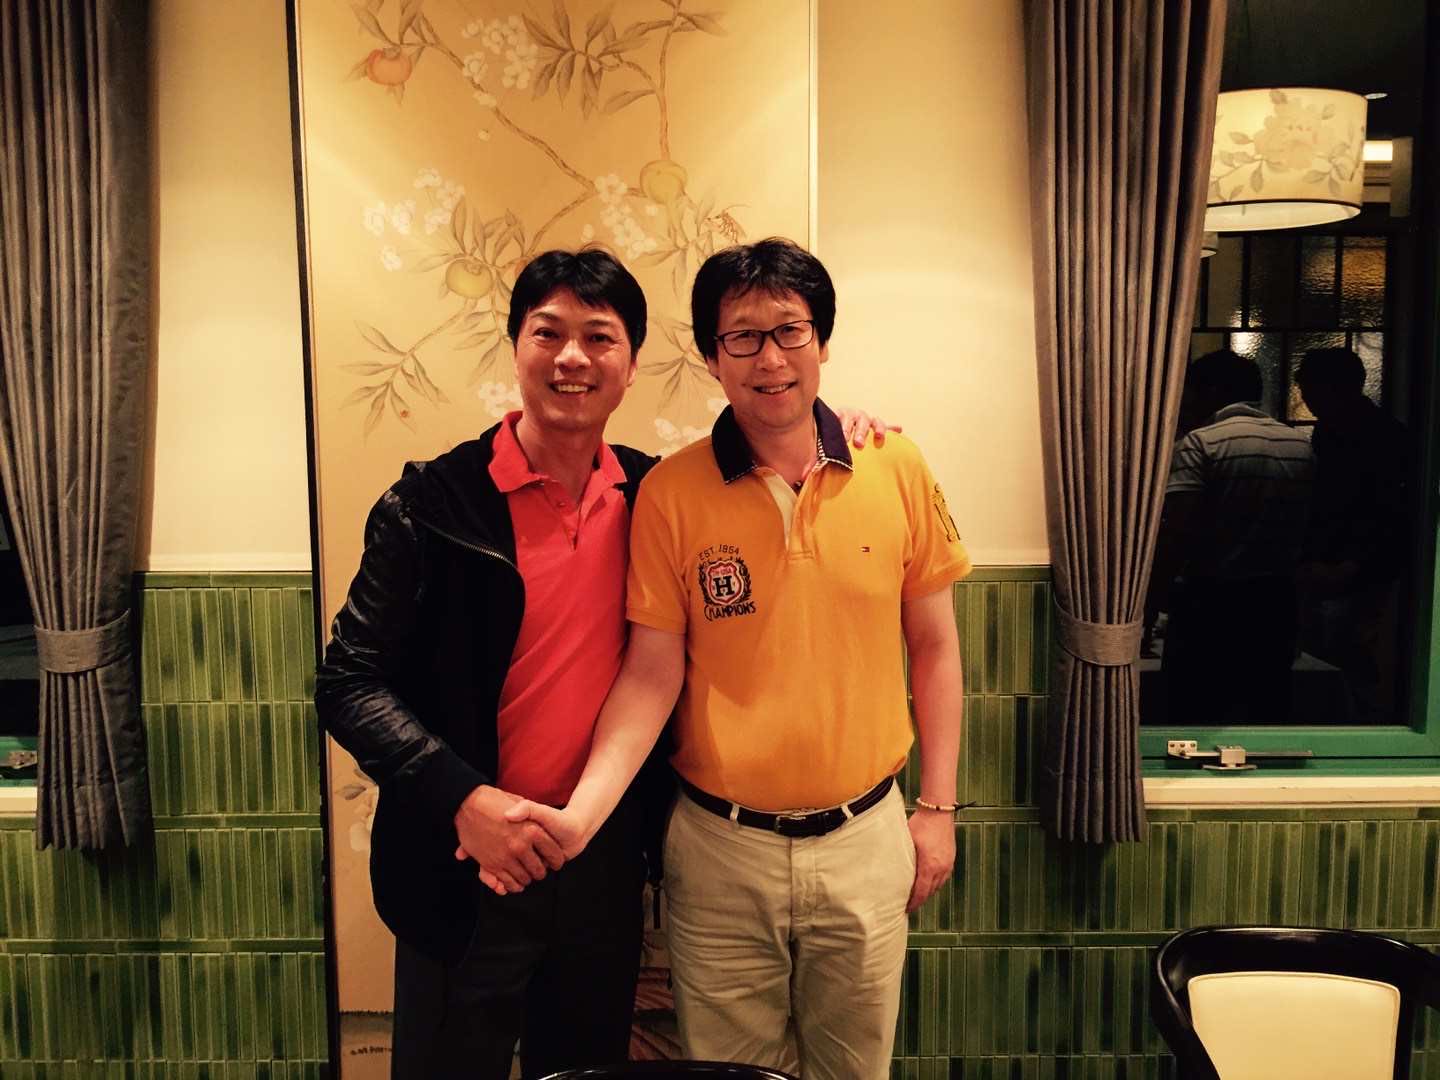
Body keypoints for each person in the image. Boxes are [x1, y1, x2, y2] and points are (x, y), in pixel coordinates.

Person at [314, 247, 892, 1080]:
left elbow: (779, 458)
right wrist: (462, 800)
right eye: (548, 333)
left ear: (631, 364)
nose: (572, 358)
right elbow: (347, 680)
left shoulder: (657, 497)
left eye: (599, 337)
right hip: (465, 862)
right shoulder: (431, 505)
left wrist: (843, 427)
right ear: (516, 347)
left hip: (598, 866)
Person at [507, 237, 969, 1079]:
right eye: (743, 338)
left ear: (822, 341)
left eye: (790, 331)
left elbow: (935, 645)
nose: (771, 359)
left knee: (855, 1070)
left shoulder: (895, 465)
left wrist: (937, 809)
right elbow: (653, 672)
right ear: (713, 357)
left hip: (865, 837)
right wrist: (580, 814)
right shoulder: (670, 492)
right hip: (719, 849)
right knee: (723, 1073)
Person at [1147, 349, 1315, 724]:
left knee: (1193, 710)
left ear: (1212, 391)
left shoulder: (1202, 442)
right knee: (1265, 709)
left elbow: (1178, 530)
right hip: (1277, 599)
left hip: (1210, 599)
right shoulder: (1299, 445)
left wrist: (1153, 598)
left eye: (1190, 392)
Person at [1295, 346, 1411, 721]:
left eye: (1310, 390)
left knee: (1352, 663)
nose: (1306, 400)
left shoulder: (1378, 437)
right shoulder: (1334, 431)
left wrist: (1350, 564)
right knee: (1334, 662)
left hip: (1360, 570)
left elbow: (1386, 509)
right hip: (1339, 564)